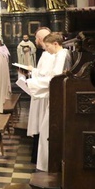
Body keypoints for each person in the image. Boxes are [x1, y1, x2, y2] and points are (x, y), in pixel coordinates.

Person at [26, 32, 70, 171]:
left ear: (55, 44)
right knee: (46, 130)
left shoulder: (62, 55)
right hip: (54, 96)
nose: (46, 49)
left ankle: (47, 165)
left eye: (48, 46)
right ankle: (45, 164)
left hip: (57, 97)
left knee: (47, 131)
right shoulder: (59, 54)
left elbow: (55, 78)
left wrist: (33, 83)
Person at [23, 27, 51, 164]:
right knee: (40, 126)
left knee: (42, 126)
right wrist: (33, 71)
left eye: (36, 39)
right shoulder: (47, 53)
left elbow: (47, 76)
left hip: (44, 95)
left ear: (40, 39)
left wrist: (32, 74)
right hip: (41, 93)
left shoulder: (49, 54)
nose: (35, 41)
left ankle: (39, 158)